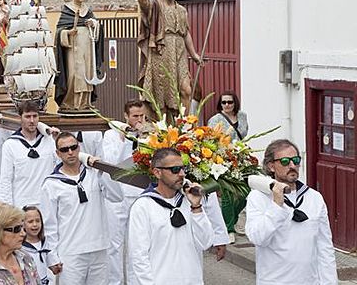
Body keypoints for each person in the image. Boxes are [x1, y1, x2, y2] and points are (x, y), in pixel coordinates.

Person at [245, 139, 337, 285]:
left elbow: (324, 246)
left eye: (296, 160)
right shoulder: (258, 197)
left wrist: (330, 282)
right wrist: (276, 205)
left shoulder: (314, 197)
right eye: (285, 161)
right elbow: (258, 238)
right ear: (271, 166)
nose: (292, 165)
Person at [39, 132, 123, 285]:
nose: (70, 152)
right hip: (70, 252)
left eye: (73, 147)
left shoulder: (93, 174)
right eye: (64, 150)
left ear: (79, 148)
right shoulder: (51, 184)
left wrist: (102, 169)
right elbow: (49, 224)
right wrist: (51, 255)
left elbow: (117, 196)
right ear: (58, 154)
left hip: (99, 248)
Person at [127, 148, 213, 285]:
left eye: (183, 169)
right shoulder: (143, 206)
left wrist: (196, 207)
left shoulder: (189, 202)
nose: (182, 174)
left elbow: (206, 243)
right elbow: (138, 257)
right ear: (157, 172)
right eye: (175, 169)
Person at [134, 0, 202, 118]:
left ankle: (185, 123)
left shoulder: (182, 10)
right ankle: (163, 123)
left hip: (179, 50)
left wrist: (194, 55)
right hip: (161, 50)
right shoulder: (156, 6)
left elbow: (186, 34)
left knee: (186, 89)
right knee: (162, 93)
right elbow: (142, 1)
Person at [101, 100, 150, 284]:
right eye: (135, 116)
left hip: (139, 195)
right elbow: (112, 162)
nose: (139, 119)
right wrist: (124, 140)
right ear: (126, 116)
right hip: (118, 196)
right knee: (115, 244)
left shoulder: (149, 134)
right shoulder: (111, 135)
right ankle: (115, 282)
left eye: (142, 115)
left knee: (136, 245)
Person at [54, 0, 104, 112]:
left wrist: (93, 24)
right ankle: (69, 102)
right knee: (73, 75)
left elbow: (98, 27)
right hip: (72, 48)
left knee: (87, 74)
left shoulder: (88, 11)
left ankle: (85, 103)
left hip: (87, 47)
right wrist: (68, 33)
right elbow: (59, 31)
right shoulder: (67, 11)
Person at [0, 101, 57, 208]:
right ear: (20, 118)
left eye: (35, 116)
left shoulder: (50, 141)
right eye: (27, 116)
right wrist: (7, 208)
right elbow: (6, 180)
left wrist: (58, 139)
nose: (31, 121)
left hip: (47, 202)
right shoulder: (10, 144)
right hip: (21, 204)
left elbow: (61, 166)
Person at [208, 91, 249, 243]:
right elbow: (212, 140)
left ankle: (235, 218)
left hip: (240, 157)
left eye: (230, 102)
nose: (227, 105)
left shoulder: (242, 116)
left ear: (235, 103)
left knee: (246, 191)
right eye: (224, 102)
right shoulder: (215, 119)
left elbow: (243, 134)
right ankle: (229, 228)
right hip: (222, 159)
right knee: (227, 195)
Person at [21, 206, 52, 285]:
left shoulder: (45, 242)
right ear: (23, 224)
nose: (35, 224)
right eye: (30, 221)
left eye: (38, 221)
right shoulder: (20, 247)